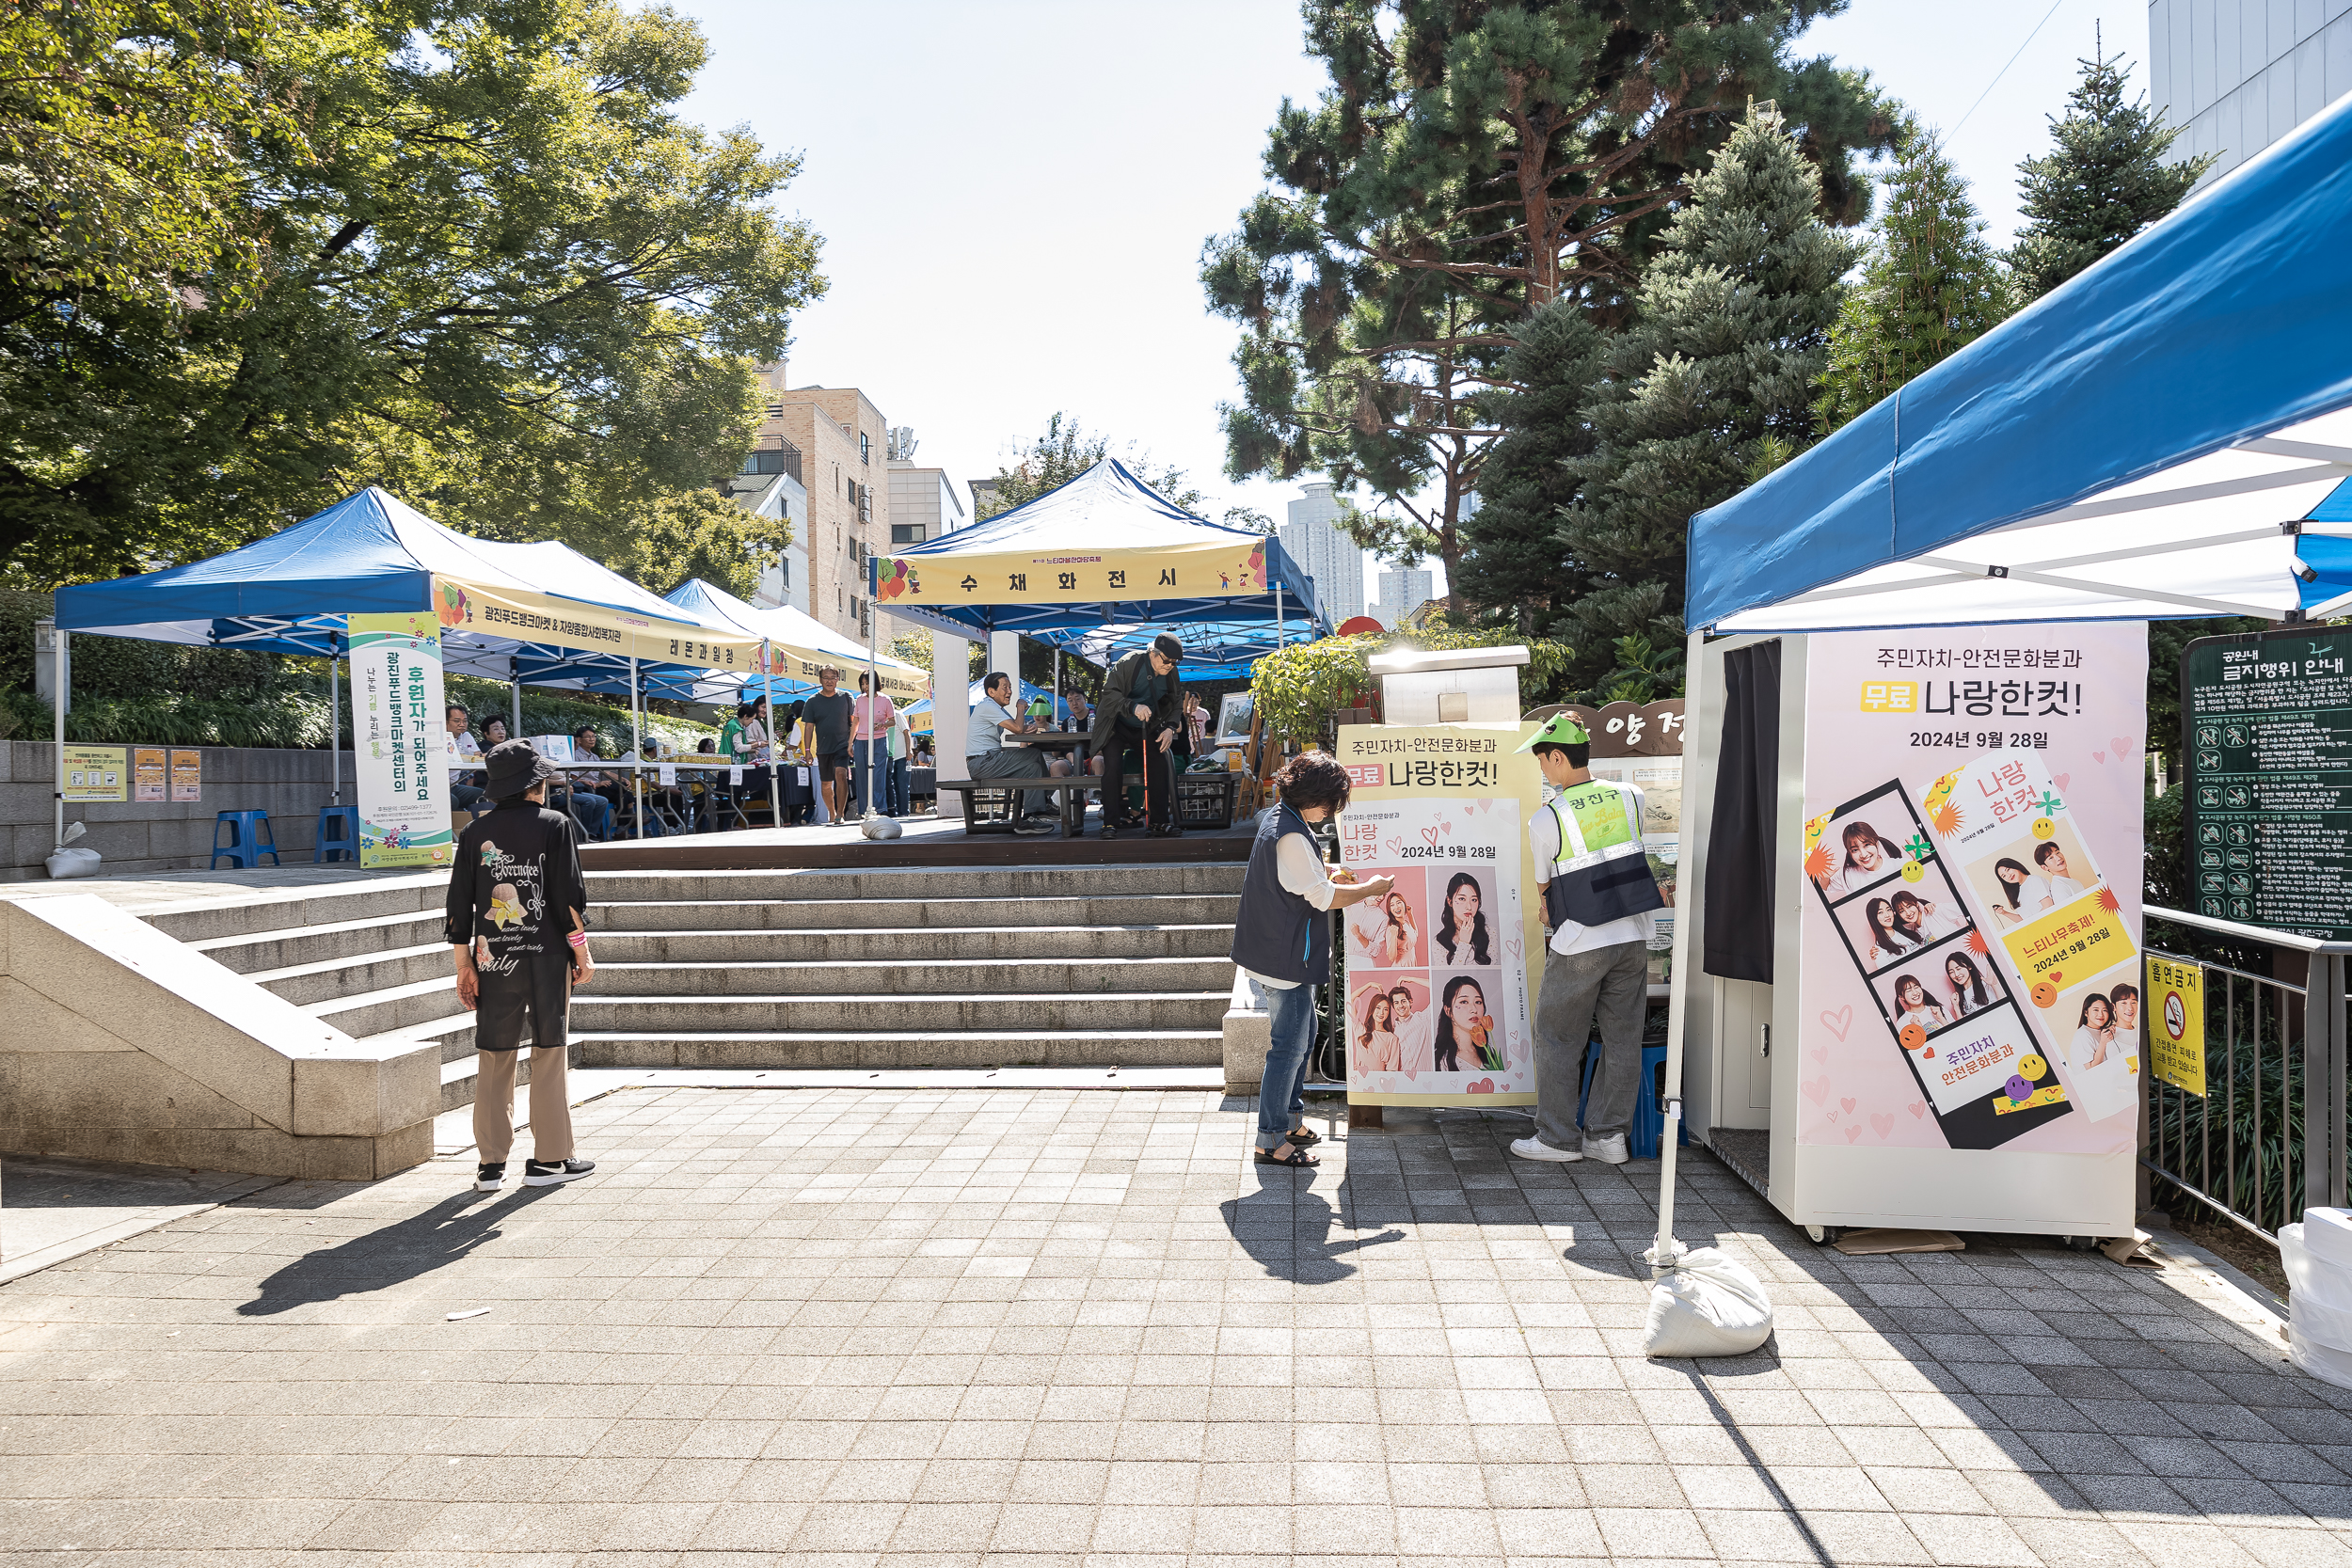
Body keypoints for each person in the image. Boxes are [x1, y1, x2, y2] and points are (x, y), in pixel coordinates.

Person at [1510, 713, 1665, 1166]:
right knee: (1622, 1038)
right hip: (1633, 935)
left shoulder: (1548, 817)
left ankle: (1557, 1140)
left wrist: (1546, 908)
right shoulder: (1631, 795)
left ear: (1557, 757)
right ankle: (1608, 1138)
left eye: (1542, 762)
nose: (1543, 771)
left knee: (1557, 1037)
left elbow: (1545, 890)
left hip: (1579, 939)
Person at [445, 740, 596, 1192]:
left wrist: (463, 963)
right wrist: (582, 950)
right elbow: (568, 895)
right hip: (547, 954)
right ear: (534, 784)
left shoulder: (475, 833)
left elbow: (460, 902)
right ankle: (548, 1160)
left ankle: (491, 1165)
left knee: (494, 1054)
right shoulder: (555, 824)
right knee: (549, 1051)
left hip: (493, 956)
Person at [1232, 751, 1393, 1165]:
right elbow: (1322, 898)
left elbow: (1306, 879)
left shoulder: (1279, 818)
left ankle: (1290, 1120)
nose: (1330, 812)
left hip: (1277, 949)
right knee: (1288, 1048)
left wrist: (1329, 871)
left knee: (1302, 1037)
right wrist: (1370, 889)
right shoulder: (1292, 835)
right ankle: (1270, 1138)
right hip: (1284, 955)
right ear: (1314, 797)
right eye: (1330, 803)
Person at [1089, 633, 1184, 839]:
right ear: (1153, 653)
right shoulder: (1129, 662)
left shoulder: (1171, 671)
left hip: (1145, 726)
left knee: (1158, 762)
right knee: (1113, 764)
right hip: (1116, 724)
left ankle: (1159, 821)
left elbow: (1176, 702)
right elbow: (1109, 694)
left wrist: (1169, 727)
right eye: (1167, 660)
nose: (1170, 665)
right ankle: (1110, 823)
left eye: (1174, 662)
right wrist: (1133, 706)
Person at [968, 671, 1057, 834]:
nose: (1009, 691)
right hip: (982, 763)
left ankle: (1031, 816)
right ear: (991, 691)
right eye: (1005, 687)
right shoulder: (987, 706)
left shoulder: (996, 708)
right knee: (1033, 753)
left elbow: (1017, 728)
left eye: (1010, 687)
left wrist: (1025, 728)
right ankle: (1043, 802)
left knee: (1032, 767)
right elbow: (1017, 728)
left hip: (989, 760)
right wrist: (1021, 708)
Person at [803, 669, 855, 820]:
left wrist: (851, 742)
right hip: (823, 748)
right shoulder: (812, 701)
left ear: (838, 679)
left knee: (841, 775)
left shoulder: (846, 697)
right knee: (826, 784)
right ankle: (831, 814)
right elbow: (809, 727)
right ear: (820, 680)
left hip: (843, 746)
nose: (829, 681)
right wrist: (807, 750)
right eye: (826, 678)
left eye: (833, 677)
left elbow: (854, 722)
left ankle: (840, 814)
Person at [1820, 819, 1903, 899]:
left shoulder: (1900, 865)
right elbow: (1826, 887)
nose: (1863, 855)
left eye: (1867, 845)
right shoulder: (1847, 874)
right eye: (1855, 850)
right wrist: (1824, 877)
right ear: (1849, 852)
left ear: (1876, 843)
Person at [851, 673, 897, 816]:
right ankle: (864, 810)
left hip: (879, 740)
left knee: (878, 777)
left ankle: (879, 810)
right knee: (862, 776)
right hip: (860, 740)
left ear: (875, 682)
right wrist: (849, 742)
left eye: (867, 683)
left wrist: (882, 724)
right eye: (863, 684)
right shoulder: (859, 699)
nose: (865, 687)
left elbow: (892, 721)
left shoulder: (885, 700)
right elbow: (855, 723)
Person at [562, 725, 613, 842]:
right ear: (579, 740)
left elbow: (606, 772)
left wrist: (622, 780)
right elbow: (573, 778)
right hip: (579, 787)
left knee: (617, 792)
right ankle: (584, 833)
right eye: (588, 737)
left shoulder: (594, 756)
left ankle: (592, 833)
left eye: (593, 736)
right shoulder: (573, 756)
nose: (592, 739)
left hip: (580, 786)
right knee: (591, 800)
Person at [1434, 872, 1492, 966]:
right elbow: (1451, 974)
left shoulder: (1490, 933)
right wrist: (1464, 944)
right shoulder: (1439, 942)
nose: (1469, 907)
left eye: (1474, 900)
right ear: (1450, 901)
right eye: (1462, 899)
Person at [1351, 889, 1418, 967]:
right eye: (1392, 905)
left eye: (1399, 903)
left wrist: (1410, 915)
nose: (1396, 907)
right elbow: (1391, 957)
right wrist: (1393, 935)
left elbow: (1415, 934)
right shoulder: (1391, 928)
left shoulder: (1406, 923)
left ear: (1404, 904)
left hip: (1412, 962)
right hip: (1401, 965)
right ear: (1390, 910)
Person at [445, 705, 486, 813]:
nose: (462, 724)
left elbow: (478, 756)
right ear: (445, 722)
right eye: (457, 721)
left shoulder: (466, 736)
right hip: (440, 786)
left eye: (465, 721)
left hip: (455, 784)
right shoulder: (439, 738)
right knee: (453, 801)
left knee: (483, 796)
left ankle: (476, 826)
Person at [1860, 895, 1922, 967]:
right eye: (1880, 912)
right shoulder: (1879, 952)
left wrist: (1926, 905)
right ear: (1873, 918)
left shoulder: (1907, 929)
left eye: (1888, 910)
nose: (1887, 915)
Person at [1987, 856, 2050, 926]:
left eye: (2008, 870)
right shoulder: (2019, 894)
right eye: (2004, 876)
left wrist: (2034, 925)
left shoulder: (2034, 880)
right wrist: (2004, 912)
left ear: (2015, 866)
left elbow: (2048, 905)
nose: (2008, 875)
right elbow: (2024, 919)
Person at [1355, 990, 1402, 1075]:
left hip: (1379, 1083)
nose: (1381, 1013)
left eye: (1386, 1009)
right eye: (1378, 1008)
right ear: (1372, 1009)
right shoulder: (1361, 1030)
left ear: (1388, 1013)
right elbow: (1352, 999)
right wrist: (1369, 985)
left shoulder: (1392, 1039)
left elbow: (1391, 1071)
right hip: (1359, 1082)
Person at [1391, 984, 1432, 1077]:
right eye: (1396, 1002)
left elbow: (1438, 987)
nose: (1400, 1005)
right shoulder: (1392, 1030)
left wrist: (1410, 979)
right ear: (1393, 1006)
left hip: (1427, 1080)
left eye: (1403, 1001)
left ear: (1410, 1002)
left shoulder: (1423, 1019)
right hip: (1403, 1083)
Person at [2035, 841, 2086, 906]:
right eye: (2051, 858)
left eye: (2057, 852)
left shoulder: (2074, 881)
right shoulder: (2059, 888)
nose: (2058, 858)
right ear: (2044, 867)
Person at [1945, 952, 1994, 1018]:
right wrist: (1956, 1007)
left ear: (1969, 966)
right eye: (1951, 972)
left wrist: (1995, 985)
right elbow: (1964, 1025)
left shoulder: (1985, 984)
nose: (1956, 974)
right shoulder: (1958, 998)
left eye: (1958, 969)